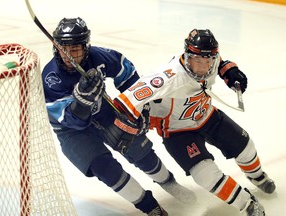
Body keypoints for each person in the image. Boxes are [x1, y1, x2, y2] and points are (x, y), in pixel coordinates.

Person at [42, 17, 195, 216]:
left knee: (141, 152)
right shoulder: (50, 77)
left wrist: (136, 106)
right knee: (105, 168)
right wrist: (81, 102)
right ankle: (151, 208)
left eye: (75, 49)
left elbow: (126, 71)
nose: (69, 55)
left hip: (104, 112)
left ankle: (170, 184)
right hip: (72, 131)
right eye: (64, 48)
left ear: (86, 46)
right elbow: (69, 119)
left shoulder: (98, 57)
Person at [114, 29, 276, 216]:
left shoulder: (210, 60)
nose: (203, 67)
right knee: (205, 176)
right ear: (187, 56)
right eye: (198, 61)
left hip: (208, 116)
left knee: (246, 146)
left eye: (207, 61)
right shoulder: (168, 77)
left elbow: (221, 62)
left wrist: (230, 71)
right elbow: (125, 102)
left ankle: (258, 177)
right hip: (178, 133)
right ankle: (247, 204)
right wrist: (130, 124)